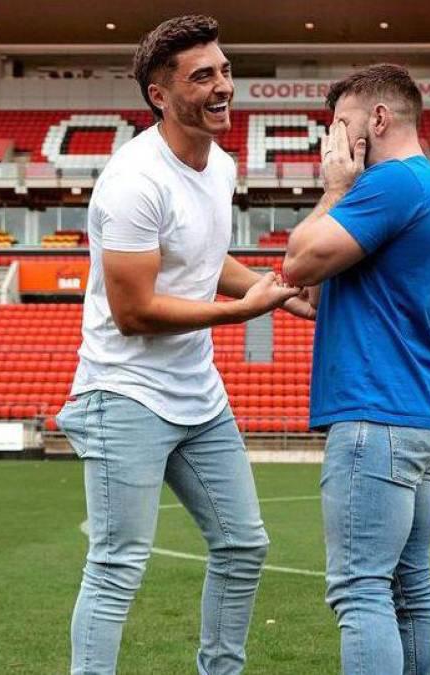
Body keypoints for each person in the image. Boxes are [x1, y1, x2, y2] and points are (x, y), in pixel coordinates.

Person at [56, 15, 312, 675]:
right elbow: (133, 312)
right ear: (160, 95)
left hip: (198, 395)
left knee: (243, 545)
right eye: (202, 76)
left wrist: (276, 289)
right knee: (117, 565)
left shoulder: (220, 165)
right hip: (124, 394)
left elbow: (203, 255)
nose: (223, 85)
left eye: (224, 70)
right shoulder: (134, 182)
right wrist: (241, 311)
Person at [282, 64, 430, 675]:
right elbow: (319, 289)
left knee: (360, 590)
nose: (333, 140)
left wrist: (335, 188)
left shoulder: (391, 183)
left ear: (377, 120)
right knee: (410, 588)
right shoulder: (426, 183)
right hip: (412, 414)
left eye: (341, 123)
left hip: (374, 416)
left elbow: (299, 261)